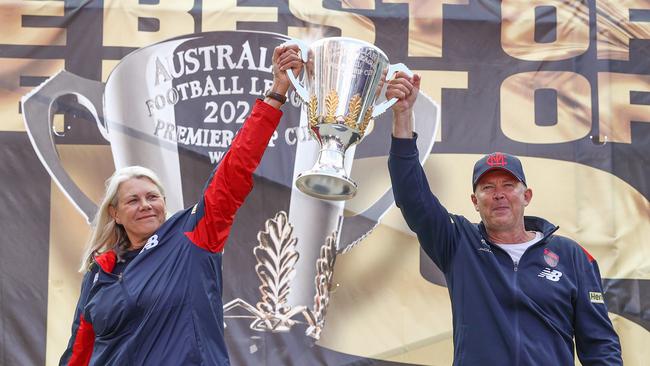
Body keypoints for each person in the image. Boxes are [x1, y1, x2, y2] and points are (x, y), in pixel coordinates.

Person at [59, 44, 303, 366]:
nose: (146, 205)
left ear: (164, 203)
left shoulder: (191, 236)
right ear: (114, 214)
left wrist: (276, 93)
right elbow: (79, 350)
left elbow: (234, 170)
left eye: (153, 197)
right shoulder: (100, 271)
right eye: (133, 200)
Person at [385, 72, 622, 365]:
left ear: (527, 196)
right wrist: (403, 116)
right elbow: (412, 196)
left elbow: (600, 345)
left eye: (508, 185)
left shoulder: (571, 256)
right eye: (487, 187)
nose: (498, 194)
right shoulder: (459, 242)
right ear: (475, 202)